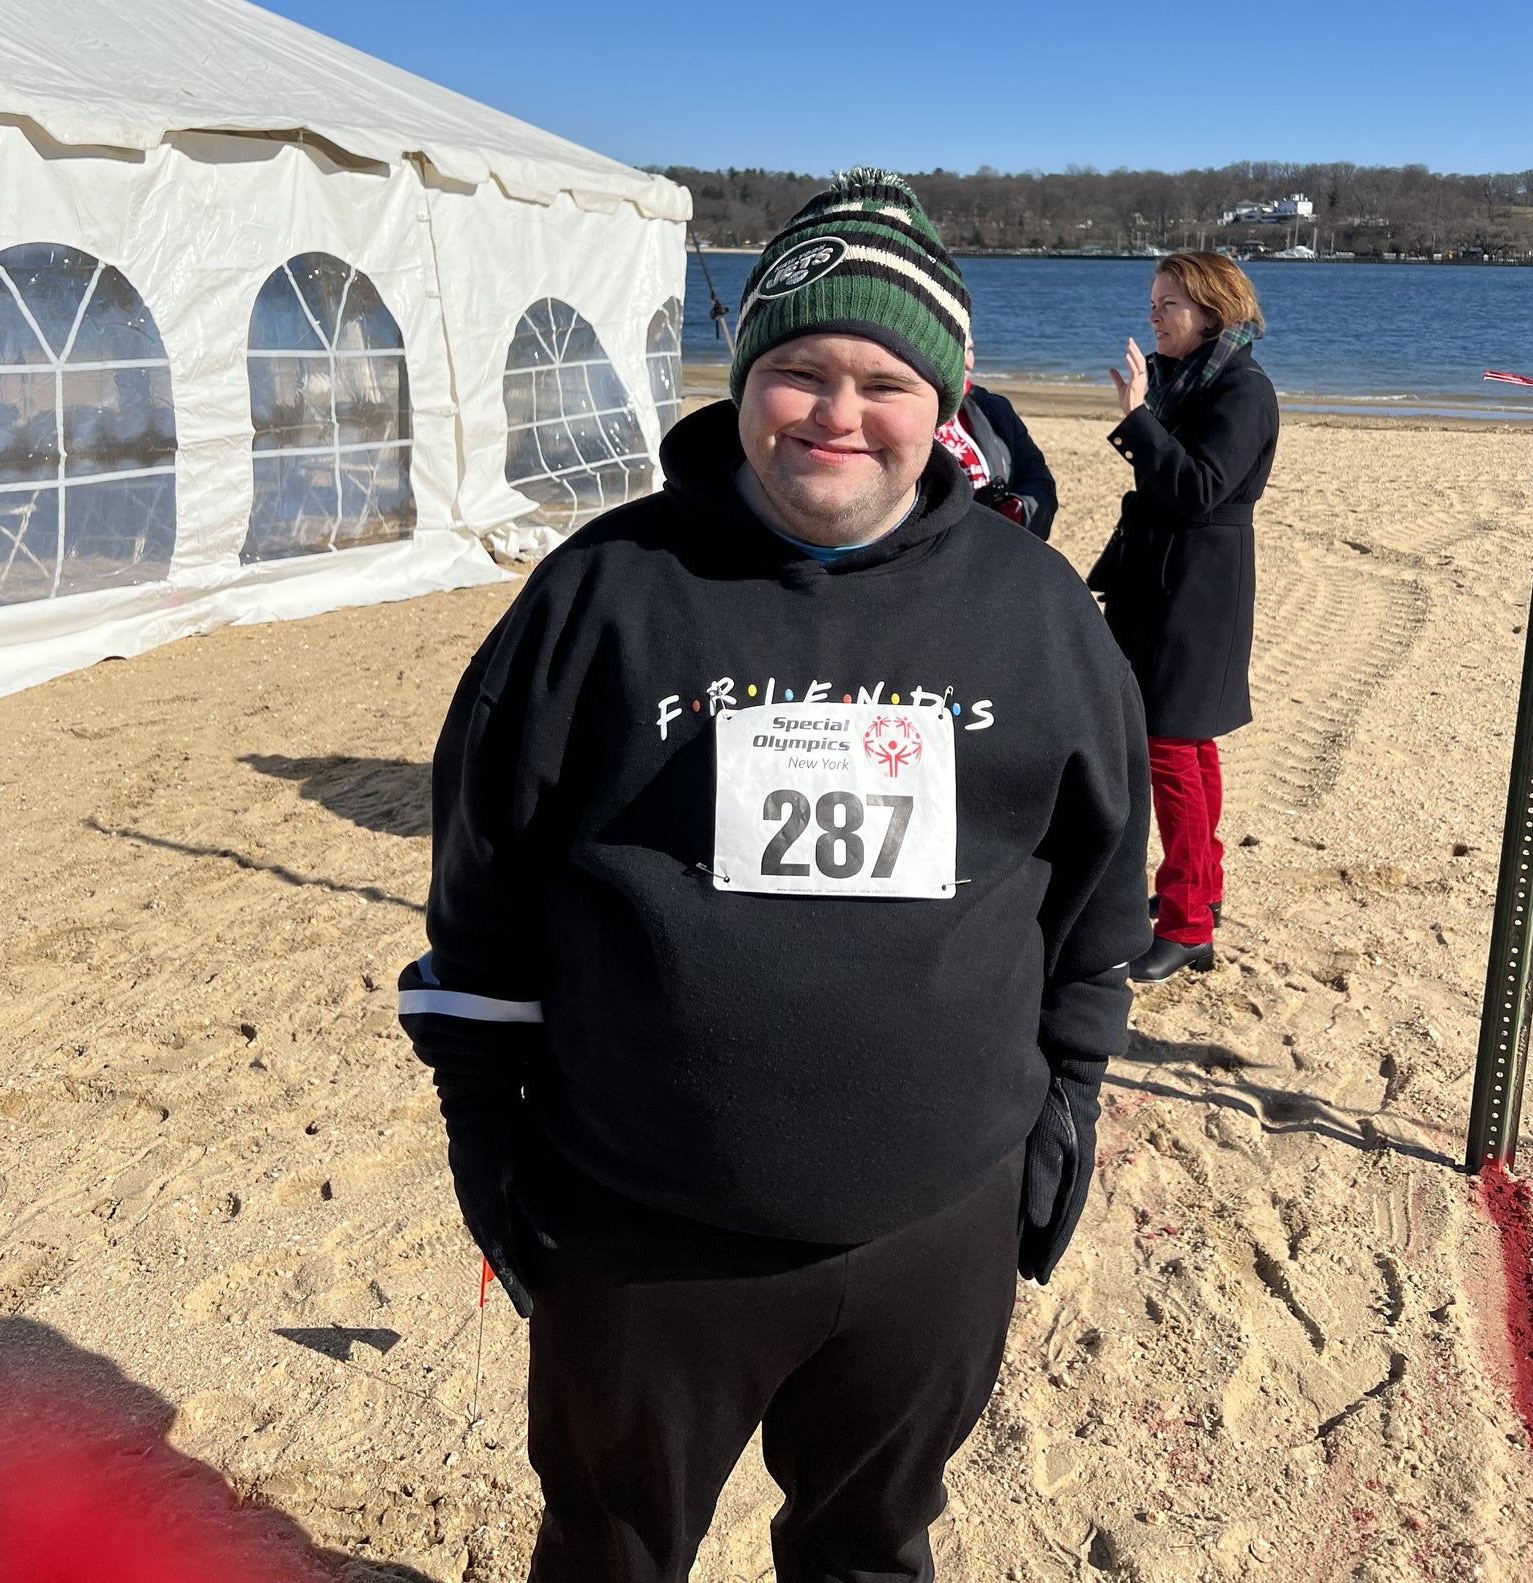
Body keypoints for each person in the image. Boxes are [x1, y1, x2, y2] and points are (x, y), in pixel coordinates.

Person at [398, 168, 1151, 1583]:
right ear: (743, 373)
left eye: (882, 379)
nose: (837, 412)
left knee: (869, 1544)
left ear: (951, 397)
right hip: (642, 1227)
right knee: (610, 1546)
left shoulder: (1035, 609)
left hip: (934, 1225)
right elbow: (483, 890)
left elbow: (1100, 894)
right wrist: (480, 1126)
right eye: (800, 369)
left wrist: (1065, 1101)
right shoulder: (605, 591)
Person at [1089, 252, 1278, 983]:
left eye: (1168, 302)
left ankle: (1189, 921)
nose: (1155, 314)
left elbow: (1199, 488)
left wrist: (1137, 417)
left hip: (1201, 586)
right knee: (1187, 743)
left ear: (1209, 309)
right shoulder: (1193, 378)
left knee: (1172, 745)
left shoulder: (1243, 388)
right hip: (1162, 574)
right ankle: (1199, 890)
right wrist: (1145, 415)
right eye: (1154, 301)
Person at [935, 341, 1059, 537]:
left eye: (970, 350)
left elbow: (1038, 480)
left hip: (998, 553)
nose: (969, 363)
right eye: (958, 350)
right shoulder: (906, 418)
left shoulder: (993, 409)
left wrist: (1017, 514)